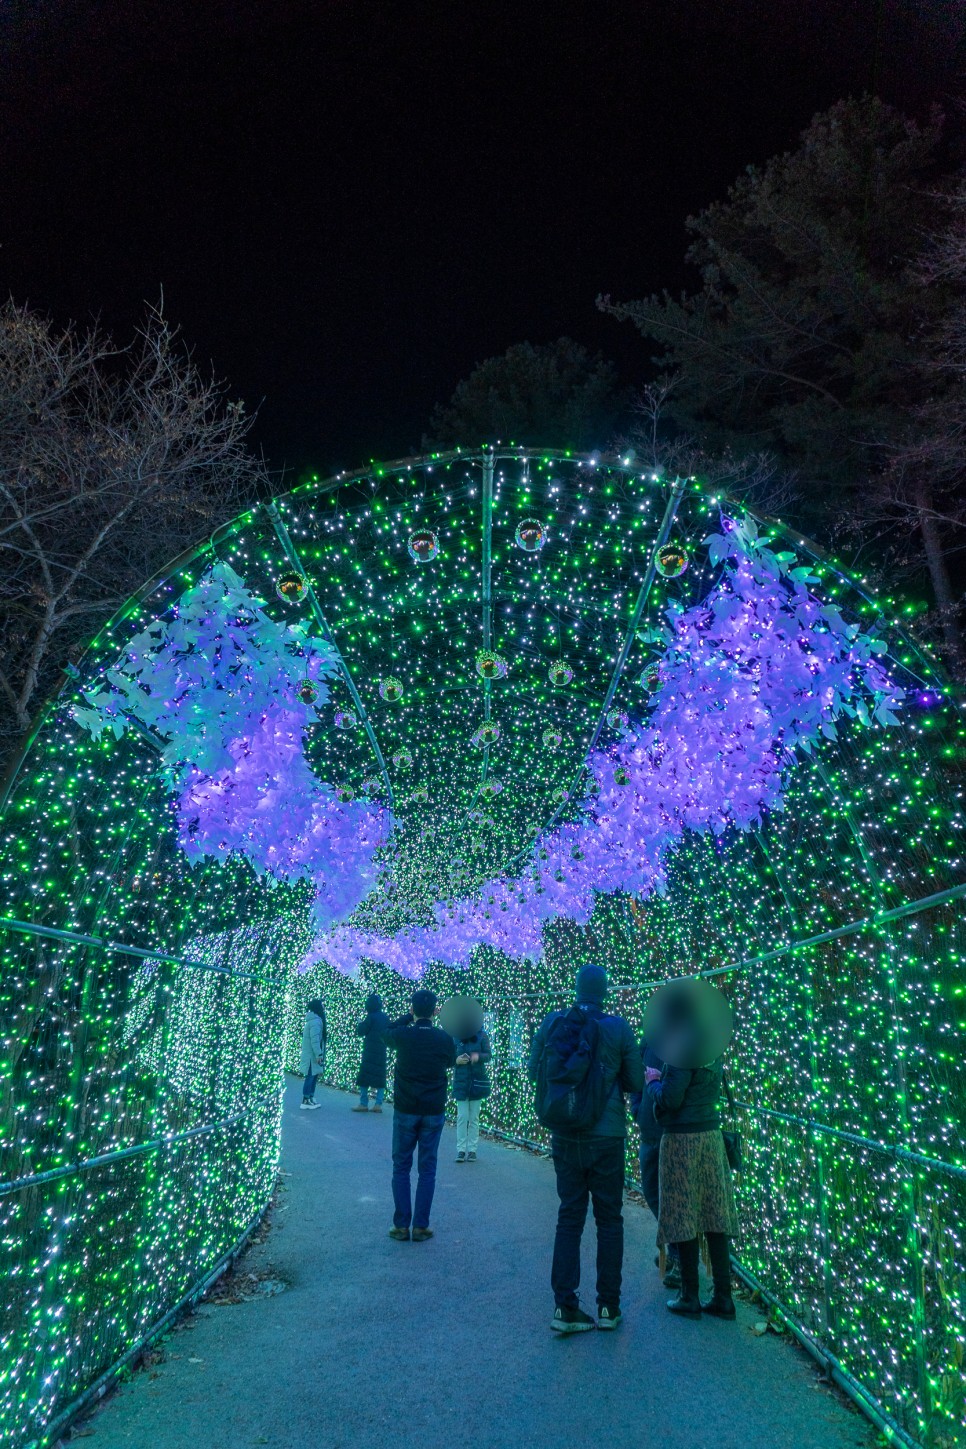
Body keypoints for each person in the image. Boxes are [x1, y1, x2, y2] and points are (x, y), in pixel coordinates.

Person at [528, 963, 644, 1333]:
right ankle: (609, 1307)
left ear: (576, 990)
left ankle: (565, 1308)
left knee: (570, 1216)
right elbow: (635, 1080)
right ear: (605, 991)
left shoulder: (553, 1022)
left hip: (564, 1133)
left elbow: (535, 1072)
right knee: (609, 1219)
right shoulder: (618, 1027)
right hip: (607, 1135)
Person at [646, 1055, 739, 1319]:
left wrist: (653, 1082)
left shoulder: (682, 1051)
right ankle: (723, 1296)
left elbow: (671, 1098)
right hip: (711, 1136)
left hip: (682, 1140)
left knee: (682, 1213)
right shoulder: (713, 1049)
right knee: (714, 1216)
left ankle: (689, 1295)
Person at [383, 988, 457, 1242]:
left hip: (405, 1108)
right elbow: (450, 1061)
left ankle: (401, 1225)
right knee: (427, 1169)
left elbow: (385, 1032)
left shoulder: (403, 1035)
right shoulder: (443, 1039)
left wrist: (407, 1017)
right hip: (433, 1111)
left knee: (401, 1166)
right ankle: (421, 1226)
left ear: (413, 1009)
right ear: (435, 1011)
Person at [630, 1040, 681, 1289]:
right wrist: (637, 1108)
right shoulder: (650, 1042)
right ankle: (675, 1250)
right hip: (648, 1130)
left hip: (672, 1133)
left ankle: (679, 1257)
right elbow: (638, 1075)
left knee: (672, 1198)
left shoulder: (682, 1045)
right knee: (651, 1192)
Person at [452, 1018, 492, 1161]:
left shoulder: (482, 1035)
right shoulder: (456, 1036)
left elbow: (488, 1055)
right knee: (462, 1117)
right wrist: (456, 1060)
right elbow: (449, 1056)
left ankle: (472, 1150)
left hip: (476, 1080)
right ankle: (461, 1149)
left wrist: (477, 1057)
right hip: (462, 1082)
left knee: (473, 1118)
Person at [353, 992, 391, 1112]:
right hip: (381, 1051)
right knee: (380, 1077)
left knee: (364, 1077)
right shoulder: (385, 1017)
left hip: (369, 1051)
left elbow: (361, 1031)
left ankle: (363, 1103)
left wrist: (360, 1024)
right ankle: (378, 1104)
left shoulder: (370, 1017)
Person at [300, 999, 327, 1110]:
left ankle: (310, 1097)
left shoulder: (314, 1020)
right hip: (312, 1055)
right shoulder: (316, 1021)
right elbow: (315, 1040)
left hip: (312, 1054)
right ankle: (306, 1099)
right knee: (311, 1076)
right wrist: (319, 1054)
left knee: (313, 1075)